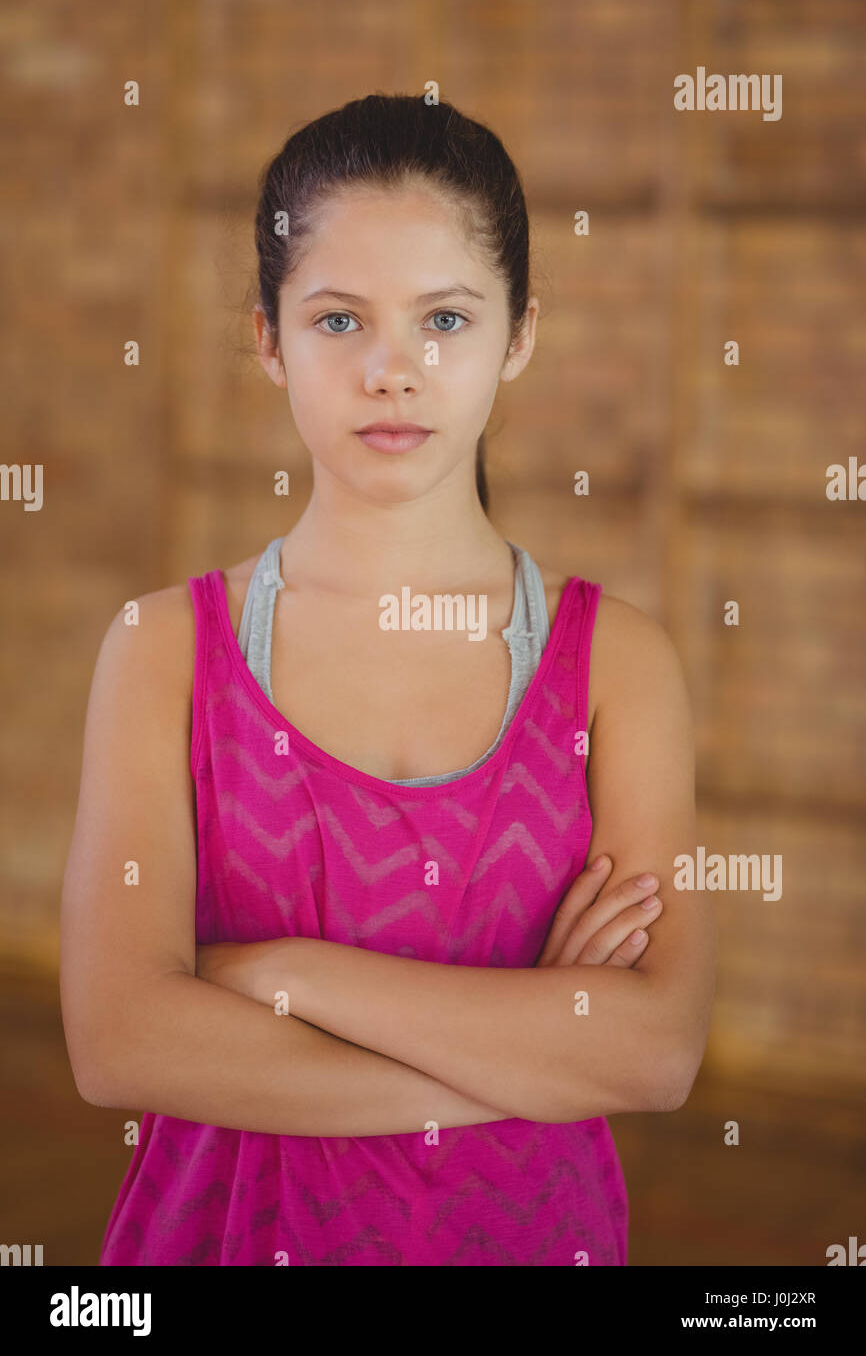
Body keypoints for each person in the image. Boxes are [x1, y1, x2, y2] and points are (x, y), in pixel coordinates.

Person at [60, 92, 716, 1266]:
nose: (392, 372)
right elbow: (120, 1041)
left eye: (446, 320)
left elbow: (654, 1051)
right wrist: (526, 1057)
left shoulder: (617, 664)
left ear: (519, 334)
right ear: (267, 337)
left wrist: (278, 975)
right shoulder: (164, 649)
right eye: (337, 320)